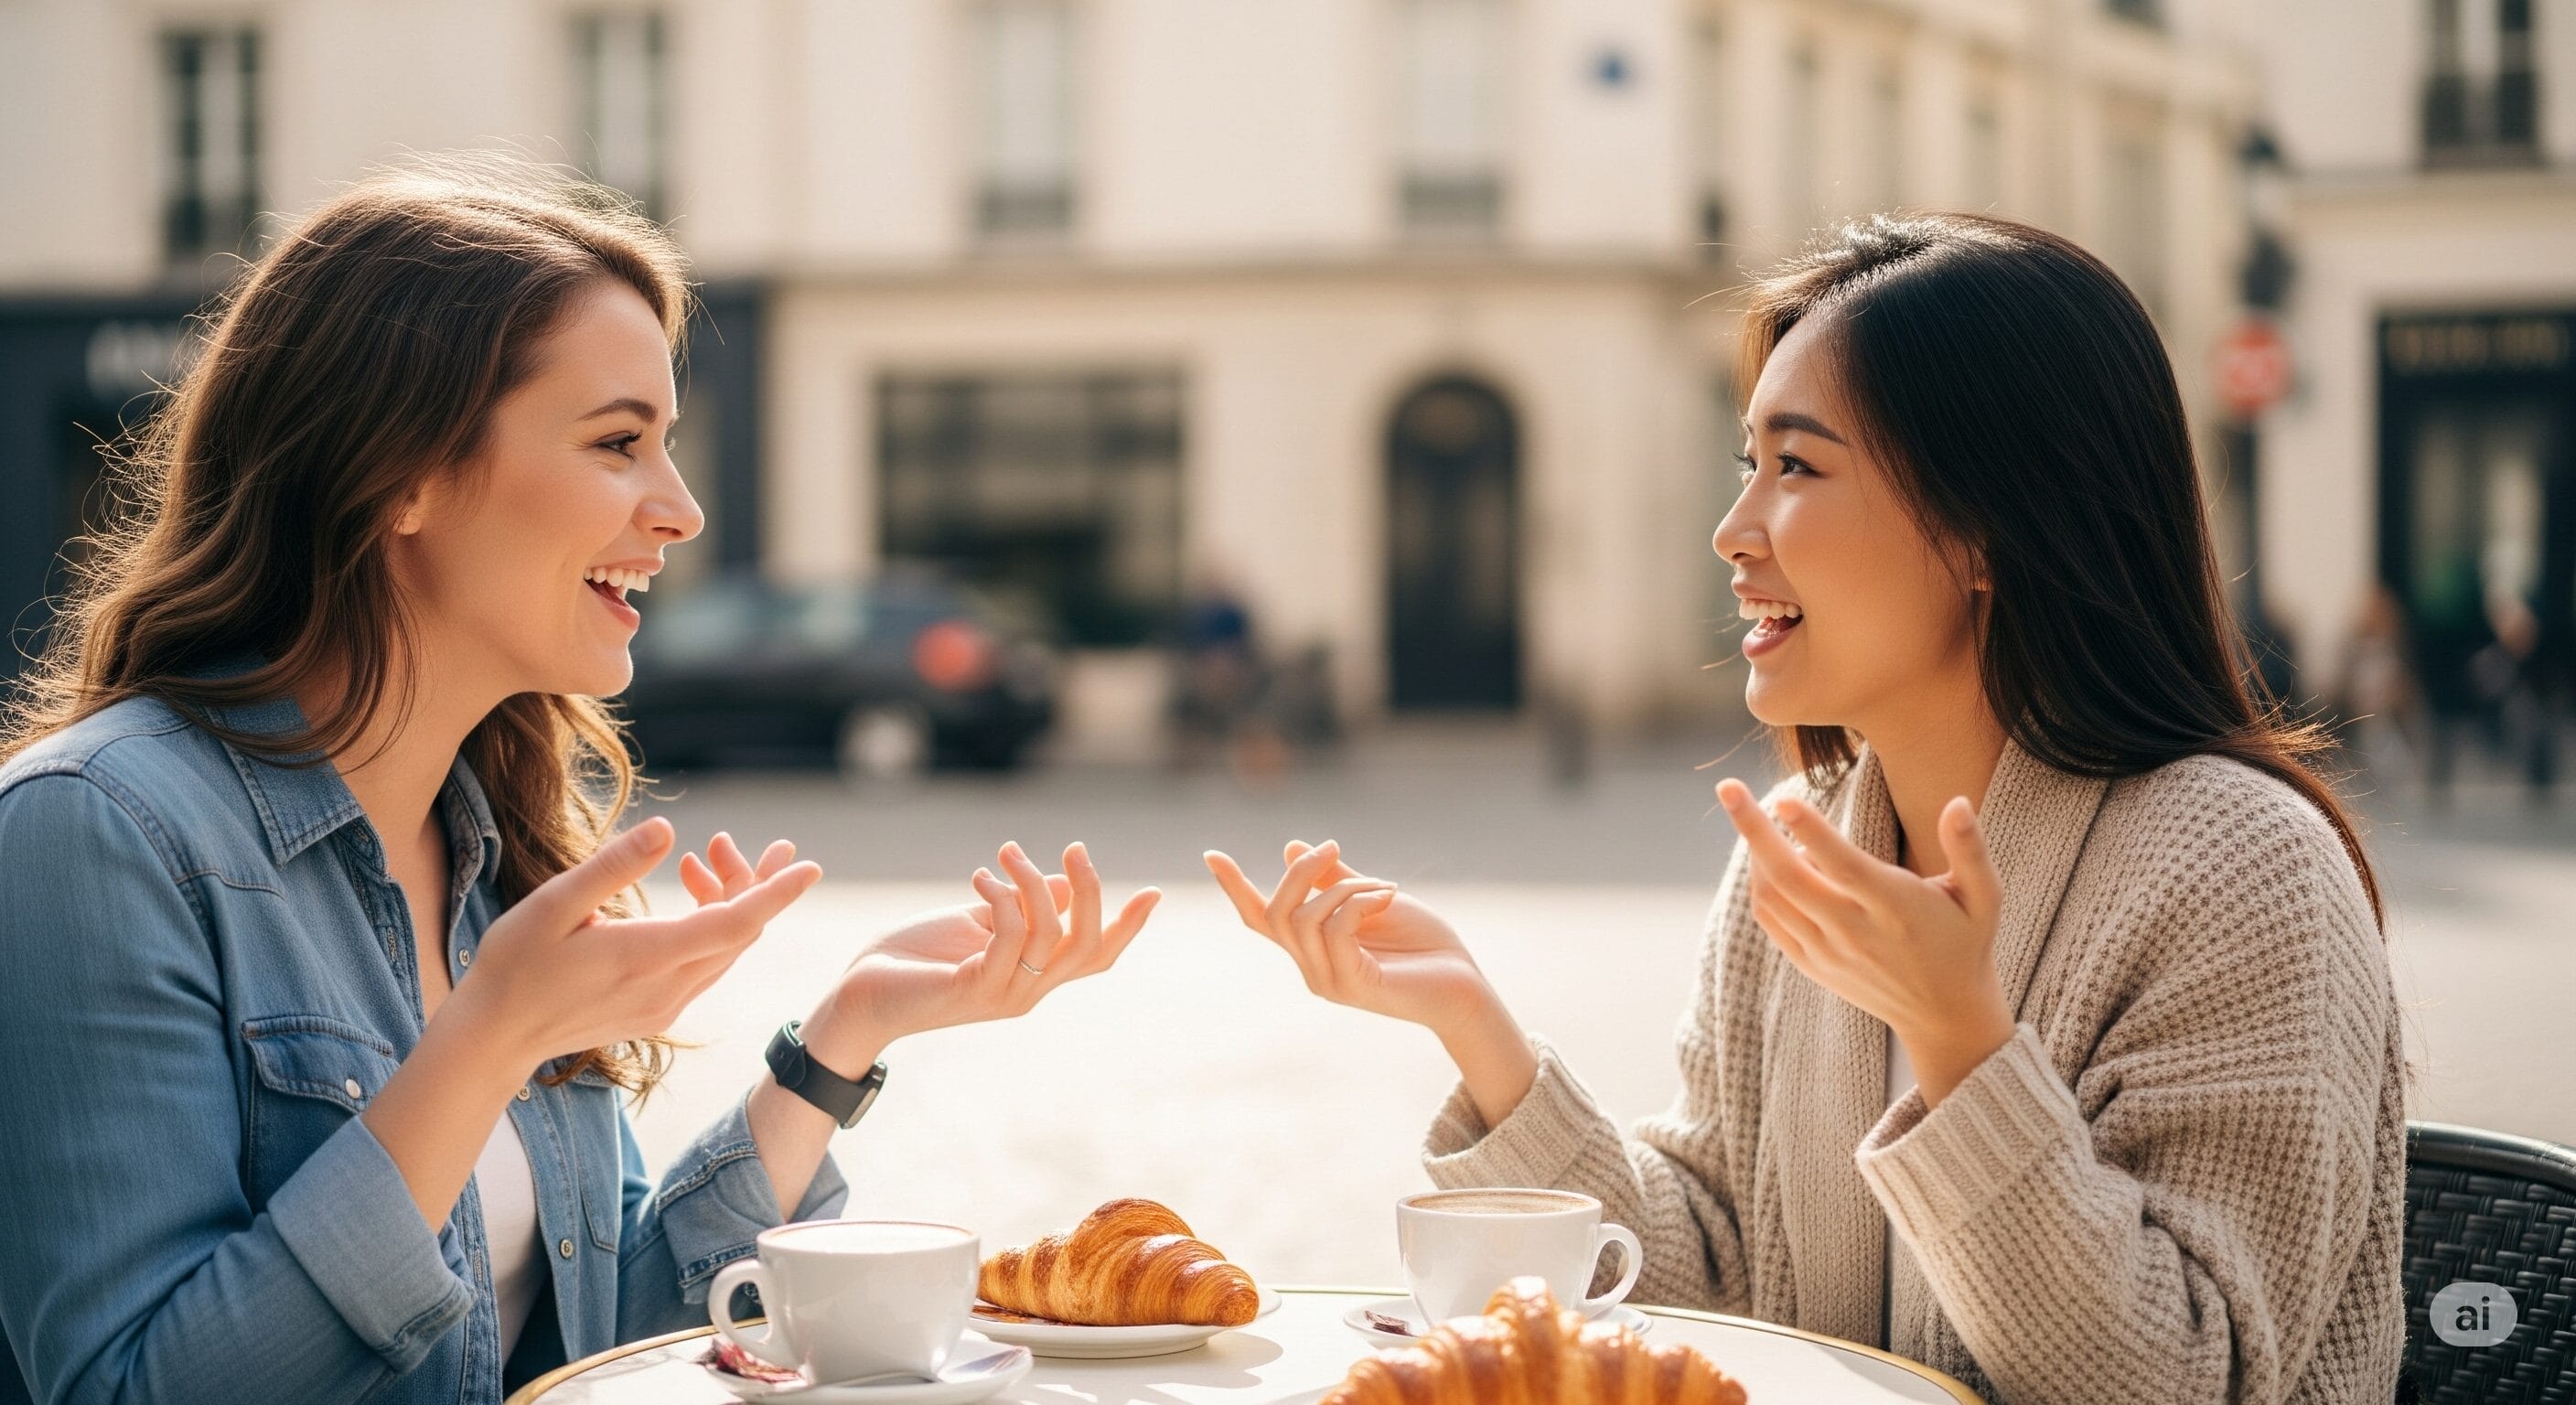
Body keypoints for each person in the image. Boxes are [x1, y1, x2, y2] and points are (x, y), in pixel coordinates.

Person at [0, 159, 1158, 1405]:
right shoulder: (95, 832)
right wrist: (488, 1040)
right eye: (620, 444)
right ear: (400, 472)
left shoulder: (495, 846)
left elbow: (604, 1344)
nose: (685, 512)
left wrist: (842, 1035)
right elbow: (132, 1387)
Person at [1209, 212, 2403, 1404]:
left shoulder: (2247, 871)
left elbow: (2187, 1380)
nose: (1734, 534)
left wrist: (1961, 1048)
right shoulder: (1808, 844)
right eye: (1749, 466)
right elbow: (1712, 1271)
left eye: (1799, 467)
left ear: (1989, 526)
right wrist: (1482, 1034)